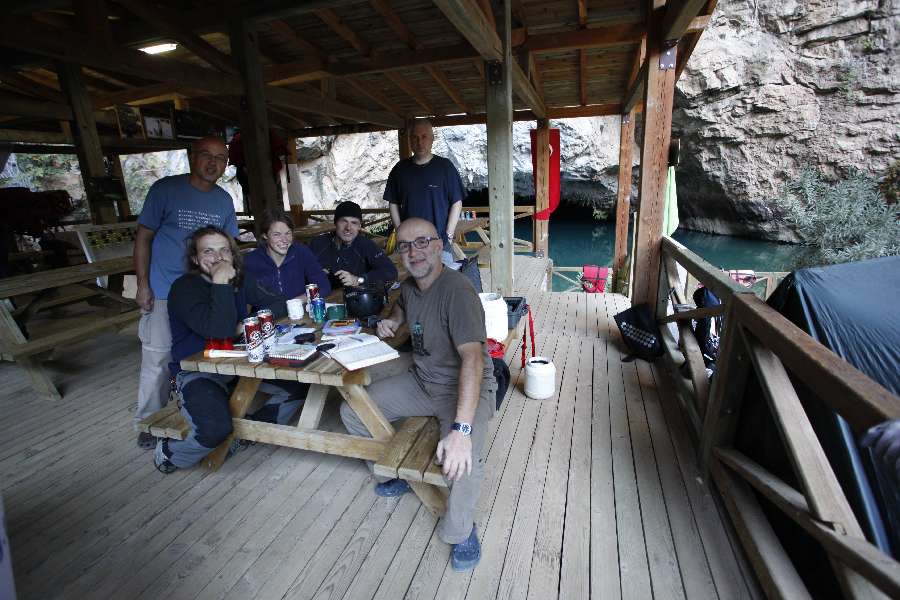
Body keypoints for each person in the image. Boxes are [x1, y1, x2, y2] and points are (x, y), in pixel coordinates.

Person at [339, 218, 496, 571]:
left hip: (464, 387)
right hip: (423, 379)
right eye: (406, 246)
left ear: (439, 246)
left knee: (463, 460)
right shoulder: (410, 286)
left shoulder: (457, 292)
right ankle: (390, 473)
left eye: (422, 242)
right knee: (353, 411)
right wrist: (395, 320)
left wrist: (462, 431)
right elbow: (403, 305)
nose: (414, 251)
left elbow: (473, 360)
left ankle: (460, 531)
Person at [154, 226, 307, 473]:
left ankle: (245, 433)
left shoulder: (240, 279)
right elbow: (219, 330)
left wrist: (245, 323)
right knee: (214, 430)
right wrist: (221, 282)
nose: (218, 257)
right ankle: (171, 453)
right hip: (197, 371)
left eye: (224, 250)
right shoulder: (184, 288)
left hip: (238, 364)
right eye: (208, 251)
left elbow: (277, 304)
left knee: (299, 388)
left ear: (232, 254)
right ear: (195, 259)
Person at [133, 136, 239, 449]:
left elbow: (230, 246)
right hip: (164, 289)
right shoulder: (165, 190)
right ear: (193, 157)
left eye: (220, 158)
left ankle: (199, 408)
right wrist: (143, 284)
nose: (212, 162)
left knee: (206, 348)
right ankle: (149, 422)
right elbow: (143, 238)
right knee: (158, 358)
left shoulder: (223, 200)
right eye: (206, 154)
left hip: (204, 291)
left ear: (226, 165)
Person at [384, 119, 465, 266]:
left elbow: (457, 202)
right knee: (411, 279)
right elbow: (393, 202)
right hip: (410, 246)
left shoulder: (445, 167)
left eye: (424, 136)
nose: (420, 142)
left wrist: (449, 235)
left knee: (443, 279)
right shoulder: (399, 170)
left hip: (439, 244)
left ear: (432, 139)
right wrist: (400, 231)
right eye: (415, 137)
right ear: (410, 140)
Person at [243, 209, 331, 301]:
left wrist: (296, 302)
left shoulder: (301, 252)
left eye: (288, 233)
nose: (284, 240)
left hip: (298, 308)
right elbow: (242, 298)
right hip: (267, 310)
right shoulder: (250, 261)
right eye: (277, 234)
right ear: (265, 235)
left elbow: (324, 287)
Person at [309, 200, 398, 289]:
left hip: (354, 295)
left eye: (354, 223)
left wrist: (357, 280)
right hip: (321, 295)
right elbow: (302, 271)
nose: (348, 227)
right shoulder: (318, 243)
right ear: (335, 223)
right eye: (344, 221)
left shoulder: (365, 245)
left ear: (359, 226)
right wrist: (315, 273)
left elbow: (390, 271)